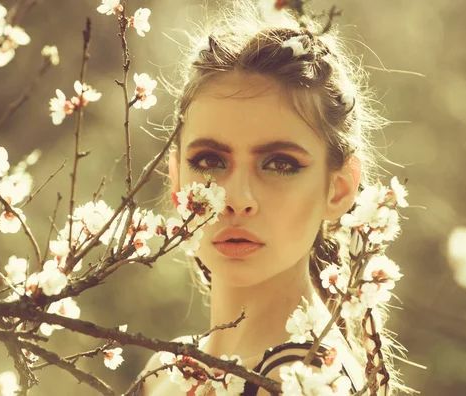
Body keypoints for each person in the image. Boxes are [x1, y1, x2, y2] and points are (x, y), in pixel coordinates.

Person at [136, 0, 406, 394]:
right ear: (177, 180)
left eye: (280, 164)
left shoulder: (306, 383)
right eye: (209, 160)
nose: (237, 198)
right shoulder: (163, 373)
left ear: (340, 188)